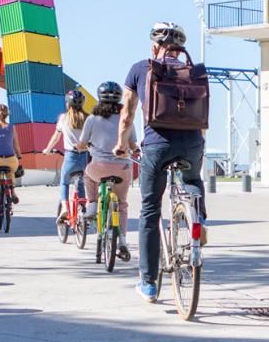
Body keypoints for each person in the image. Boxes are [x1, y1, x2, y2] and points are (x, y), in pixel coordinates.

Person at [117, 21, 207, 301]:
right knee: (193, 180)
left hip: (157, 145)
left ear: (154, 46)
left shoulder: (139, 68)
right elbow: (202, 117)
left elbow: (127, 115)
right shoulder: (194, 72)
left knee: (150, 210)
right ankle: (199, 219)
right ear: (180, 50)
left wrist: (121, 143)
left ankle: (149, 284)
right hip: (191, 142)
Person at [81, 82, 135, 262]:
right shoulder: (125, 118)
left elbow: (82, 143)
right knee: (122, 204)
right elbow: (134, 145)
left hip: (99, 167)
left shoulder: (91, 119)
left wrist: (80, 146)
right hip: (122, 169)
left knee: (87, 175)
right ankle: (123, 242)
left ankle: (91, 204)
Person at [43, 88, 90, 216]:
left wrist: (47, 150)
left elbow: (56, 137)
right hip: (85, 158)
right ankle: (82, 207)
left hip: (71, 157)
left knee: (64, 181)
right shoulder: (88, 118)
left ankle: (65, 208)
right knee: (80, 180)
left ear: (67, 104)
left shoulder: (64, 118)